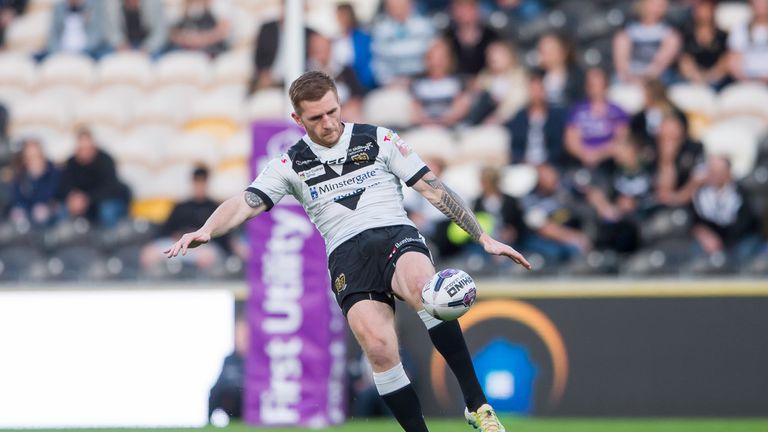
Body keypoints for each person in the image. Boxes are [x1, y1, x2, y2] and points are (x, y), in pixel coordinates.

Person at [165, 71, 531, 432]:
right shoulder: (290, 163)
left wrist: (482, 236)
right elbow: (245, 202)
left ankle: (477, 405)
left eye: (332, 111)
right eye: (316, 117)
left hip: (394, 234)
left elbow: (433, 188)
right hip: (346, 256)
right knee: (378, 346)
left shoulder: (378, 139)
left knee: (426, 288)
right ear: (297, 119)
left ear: (339, 103)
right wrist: (206, 230)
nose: (328, 123)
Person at [140, 165, 227, 272]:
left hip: (202, 248)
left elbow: (221, 237)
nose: (199, 186)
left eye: (202, 182)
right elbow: (165, 230)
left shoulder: (213, 208)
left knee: (207, 257)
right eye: (197, 182)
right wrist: (177, 237)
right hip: (178, 244)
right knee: (150, 253)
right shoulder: (181, 207)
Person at [56, 127, 131, 227]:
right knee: (62, 210)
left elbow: (110, 188)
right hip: (84, 203)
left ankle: (110, 240)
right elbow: (65, 185)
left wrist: (87, 199)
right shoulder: (71, 163)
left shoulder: (106, 160)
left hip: (106, 200)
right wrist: (72, 198)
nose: (85, 152)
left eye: (87, 148)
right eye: (82, 148)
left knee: (107, 210)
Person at [692, 155, 761, 261]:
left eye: (719, 171)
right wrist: (703, 234)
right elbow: (693, 219)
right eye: (712, 171)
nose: (715, 175)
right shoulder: (700, 194)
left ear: (728, 172)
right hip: (709, 240)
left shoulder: (741, 193)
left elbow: (747, 222)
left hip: (737, 239)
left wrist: (723, 241)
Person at [519, 163, 590, 262]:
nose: (553, 181)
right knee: (554, 252)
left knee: (575, 251)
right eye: (547, 178)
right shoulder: (529, 200)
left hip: (563, 235)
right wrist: (574, 237)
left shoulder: (562, 195)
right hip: (540, 239)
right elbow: (543, 228)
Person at [565, 67, 630, 170]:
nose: (595, 88)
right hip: (582, 162)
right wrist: (585, 155)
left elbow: (621, 139)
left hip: (609, 163)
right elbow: (571, 140)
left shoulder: (617, 112)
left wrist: (598, 155)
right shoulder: (577, 111)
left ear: (606, 85)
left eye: (598, 85)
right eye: (591, 85)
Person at [506, 70, 569, 169]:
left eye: (539, 90)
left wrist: (544, 165)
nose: (536, 94)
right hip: (524, 166)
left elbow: (558, 147)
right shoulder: (519, 117)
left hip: (550, 166)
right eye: (533, 90)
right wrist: (524, 162)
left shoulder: (556, 116)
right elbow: (515, 147)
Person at [613, 0, 681, 84]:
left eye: (663, 4)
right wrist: (629, 77)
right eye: (655, 3)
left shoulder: (670, 34)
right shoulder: (627, 31)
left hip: (657, 79)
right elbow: (621, 64)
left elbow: (660, 65)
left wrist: (645, 78)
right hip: (629, 78)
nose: (661, 6)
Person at [249, 6, 315, 92]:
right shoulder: (268, 28)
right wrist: (263, 72)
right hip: (268, 78)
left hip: (297, 81)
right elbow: (259, 55)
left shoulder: (310, 33)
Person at [371, 0, 435, 86]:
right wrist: (389, 81)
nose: (397, 9)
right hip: (393, 83)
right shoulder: (381, 30)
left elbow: (435, 58)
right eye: (393, 5)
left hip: (425, 80)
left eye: (401, 4)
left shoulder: (425, 26)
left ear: (411, 4)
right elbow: (378, 63)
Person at [465, 40, 528, 125]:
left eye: (498, 53)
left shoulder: (519, 76)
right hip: (480, 121)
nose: (493, 57)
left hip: (509, 122)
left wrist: (498, 117)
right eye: (490, 54)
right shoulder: (484, 76)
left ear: (510, 56)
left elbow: (516, 103)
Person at [410, 38, 470, 127]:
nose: (436, 62)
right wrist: (428, 122)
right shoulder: (418, 83)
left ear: (448, 60)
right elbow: (415, 111)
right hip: (425, 128)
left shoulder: (457, 82)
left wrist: (443, 121)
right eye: (433, 58)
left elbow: (460, 108)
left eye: (441, 58)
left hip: (450, 128)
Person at [307, 32, 365, 123]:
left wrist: (352, 103)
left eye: (323, 48)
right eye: (317, 48)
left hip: (344, 111)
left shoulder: (344, 70)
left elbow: (358, 94)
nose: (320, 51)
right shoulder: (305, 71)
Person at [678, 0, 730, 89]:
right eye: (701, 9)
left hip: (717, 78)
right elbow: (685, 60)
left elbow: (725, 61)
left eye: (707, 9)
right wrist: (696, 77)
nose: (704, 13)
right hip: (692, 77)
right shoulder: (687, 34)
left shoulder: (722, 36)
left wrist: (711, 77)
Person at [8, 138, 60, 226]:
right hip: (27, 211)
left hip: (48, 211)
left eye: (36, 156)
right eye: (30, 157)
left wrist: (37, 178)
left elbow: (51, 196)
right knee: (17, 214)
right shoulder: (21, 174)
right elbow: (17, 198)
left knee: (41, 213)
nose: (34, 160)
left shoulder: (52, 172)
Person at [443, 0, 500, 78]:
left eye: (468, 8)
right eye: (459, 8)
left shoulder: (491, 37)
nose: (463, 13)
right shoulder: (447, 38)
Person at [45, 0, 109, 59]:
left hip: (88, 50)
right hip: (62, 50)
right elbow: (52, 37)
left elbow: (97, 35)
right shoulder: (59, 9)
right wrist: (58, 52)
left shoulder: (92, 8)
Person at [333, 3, 375, 91]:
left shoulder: (362, 38)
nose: (341, 19)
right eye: (339, 16)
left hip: (359, 80)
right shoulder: (336, 40)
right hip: (342, 79)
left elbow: (365, 62)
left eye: (343, 15)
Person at [536, 33, 585, 107]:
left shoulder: (578, 78)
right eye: (542, 50)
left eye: (550, 50)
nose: (544, 55)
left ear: (563, 51)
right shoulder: (536, 78)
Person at [727, 0, 768, 83]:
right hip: (747, 82)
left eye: (763, 3)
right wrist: (748, 81)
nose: (760, 6)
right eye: (757, 3)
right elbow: (733, 62)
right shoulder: (740, 29)